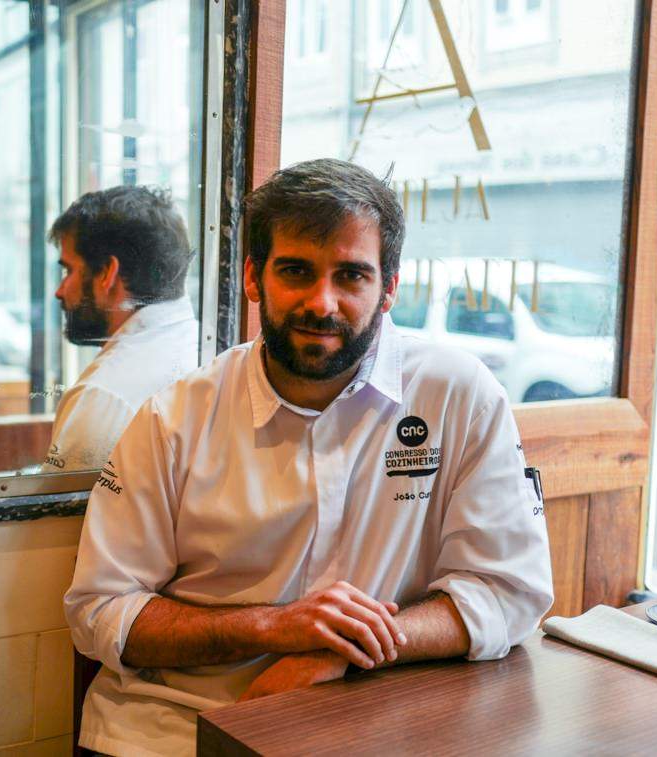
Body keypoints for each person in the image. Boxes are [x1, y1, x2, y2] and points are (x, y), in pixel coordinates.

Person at [64, 159, 554, 756]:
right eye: (296, 271)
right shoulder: (173, 418)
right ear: (254, 277)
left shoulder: (460, 396)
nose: (322, 303)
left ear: (389, 287)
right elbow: (101, 610)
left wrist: (339, 651)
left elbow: (510, 590)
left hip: (372, 720)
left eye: (351, 276)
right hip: (175, 729)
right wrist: (277, 625)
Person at [44, 185, 199, 472]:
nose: (60, 290)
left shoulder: (105, 395)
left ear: (107, 273)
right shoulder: (206, 348)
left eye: (69, 270)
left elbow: (63, 503)